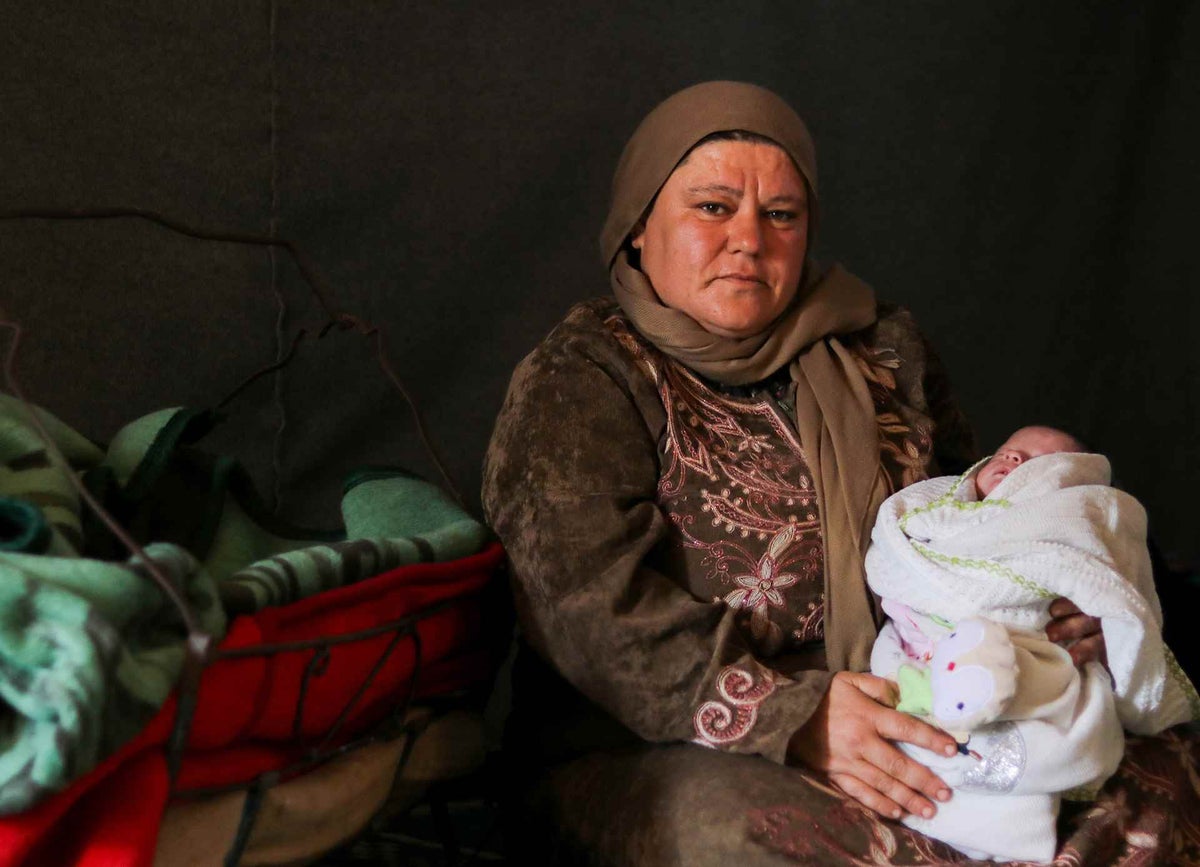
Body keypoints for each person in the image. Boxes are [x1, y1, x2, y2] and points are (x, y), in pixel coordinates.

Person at [482, 81, 1200, 866]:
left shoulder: (883, 350)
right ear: (637, 227)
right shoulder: (585, 376)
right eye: (713, 208)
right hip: (657, 742)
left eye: (781, 214)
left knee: (1153, 775)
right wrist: (794, 715)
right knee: (746, 838)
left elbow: (978, 521)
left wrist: (1060, 607)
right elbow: (582, 604)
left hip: (922, 695)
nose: (750, 239)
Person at [867, 425, 1199, 862]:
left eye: (1040, 462)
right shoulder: (938, 511)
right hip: (924, 632)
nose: (1016, 461)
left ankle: (1004, 803)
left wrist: (1110, 614)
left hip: (1028, 644)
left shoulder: (1072, 515)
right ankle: (956, 687)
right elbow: (896, 554)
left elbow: (1116, 588)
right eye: (1008, 451)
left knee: (1035, 678)